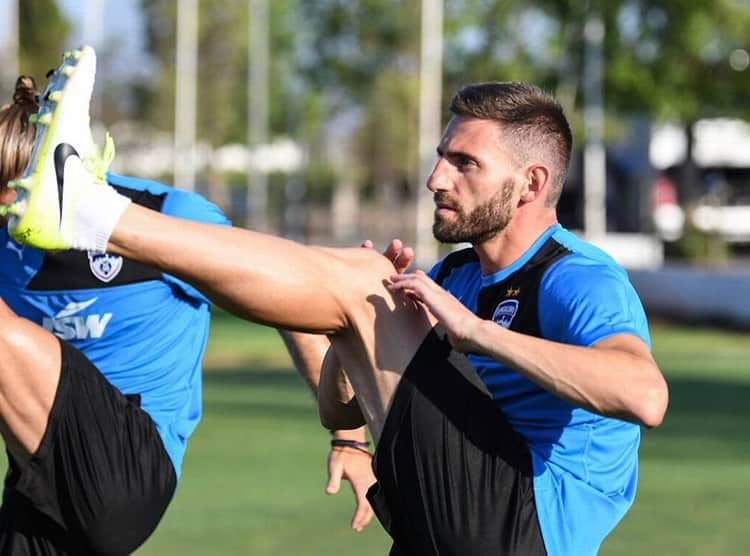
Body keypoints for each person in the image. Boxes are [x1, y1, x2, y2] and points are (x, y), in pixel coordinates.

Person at [5, 44, 668, 556]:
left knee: (364, 283)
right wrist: (359, 365)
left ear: (531, 183)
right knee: (370, 292)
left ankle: (94, 214)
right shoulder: (456, 277)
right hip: (431, 525)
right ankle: (88, 209)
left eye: (465, 163)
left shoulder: (575, 275)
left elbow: (645, 395)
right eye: (441, 156)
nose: (437, 176)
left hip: (524, 527)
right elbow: (333, 404)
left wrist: (475, 333)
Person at [0, 52, 374, 555]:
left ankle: (79, 204)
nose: (6, 206)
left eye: (13, 189)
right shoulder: (6, 244)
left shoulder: (167, 216)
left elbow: (296, 309)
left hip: (130, 468)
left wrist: (349, 436)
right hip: (39, 483)